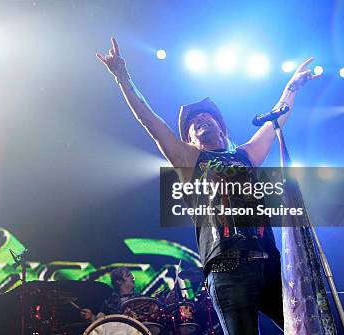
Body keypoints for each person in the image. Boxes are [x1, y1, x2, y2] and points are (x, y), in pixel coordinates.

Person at [94, 37, 320, 334]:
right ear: (189, 139)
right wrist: (123, 77)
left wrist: (292, 87)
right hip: (228, 269)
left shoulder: (246, 154)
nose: (201, 121)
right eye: (193, 122)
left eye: (206, 117)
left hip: (268, 264)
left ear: (221, 127)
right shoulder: (189, 160)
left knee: (308, 327)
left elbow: (276, 120)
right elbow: (150, 120)